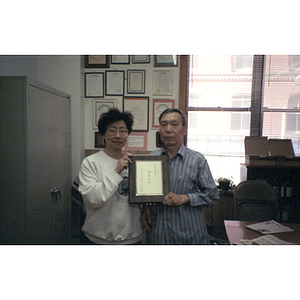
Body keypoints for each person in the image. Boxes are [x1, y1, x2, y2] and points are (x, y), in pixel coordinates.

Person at [141, 108, 219, 244]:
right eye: (164, 124)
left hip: (188, 234)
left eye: (174, 124)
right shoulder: (150, 158)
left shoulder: (197, 160)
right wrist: (144, 208)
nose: (168, 129)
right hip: (158, 234)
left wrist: (185, 198)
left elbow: (213, 195)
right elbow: (144, 193)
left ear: (184, 130)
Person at [78, 108, 143, 244]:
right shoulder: (90, 162)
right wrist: (116, 171)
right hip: (97, 239)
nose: (118, 135)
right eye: (112, 130)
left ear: (128, 133)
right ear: (103, 133)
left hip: (131, 238)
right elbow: (94, 199)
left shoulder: (135, 163)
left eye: (123, 130)